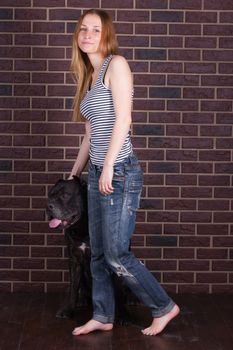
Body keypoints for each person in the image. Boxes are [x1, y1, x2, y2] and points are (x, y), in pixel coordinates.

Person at [68, 8, 180, 336]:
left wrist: (109, 166)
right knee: (98, 253)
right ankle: (103, 314)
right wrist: (76, 171)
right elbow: (91, 134)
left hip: (120, 172)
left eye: (95, 29)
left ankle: (164, 306)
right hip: (99, 173)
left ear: (106, 35)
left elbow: (124, 120)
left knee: (117, 254)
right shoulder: (87, 78)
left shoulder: (115, 65)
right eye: (83, 29)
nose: (87, 35)